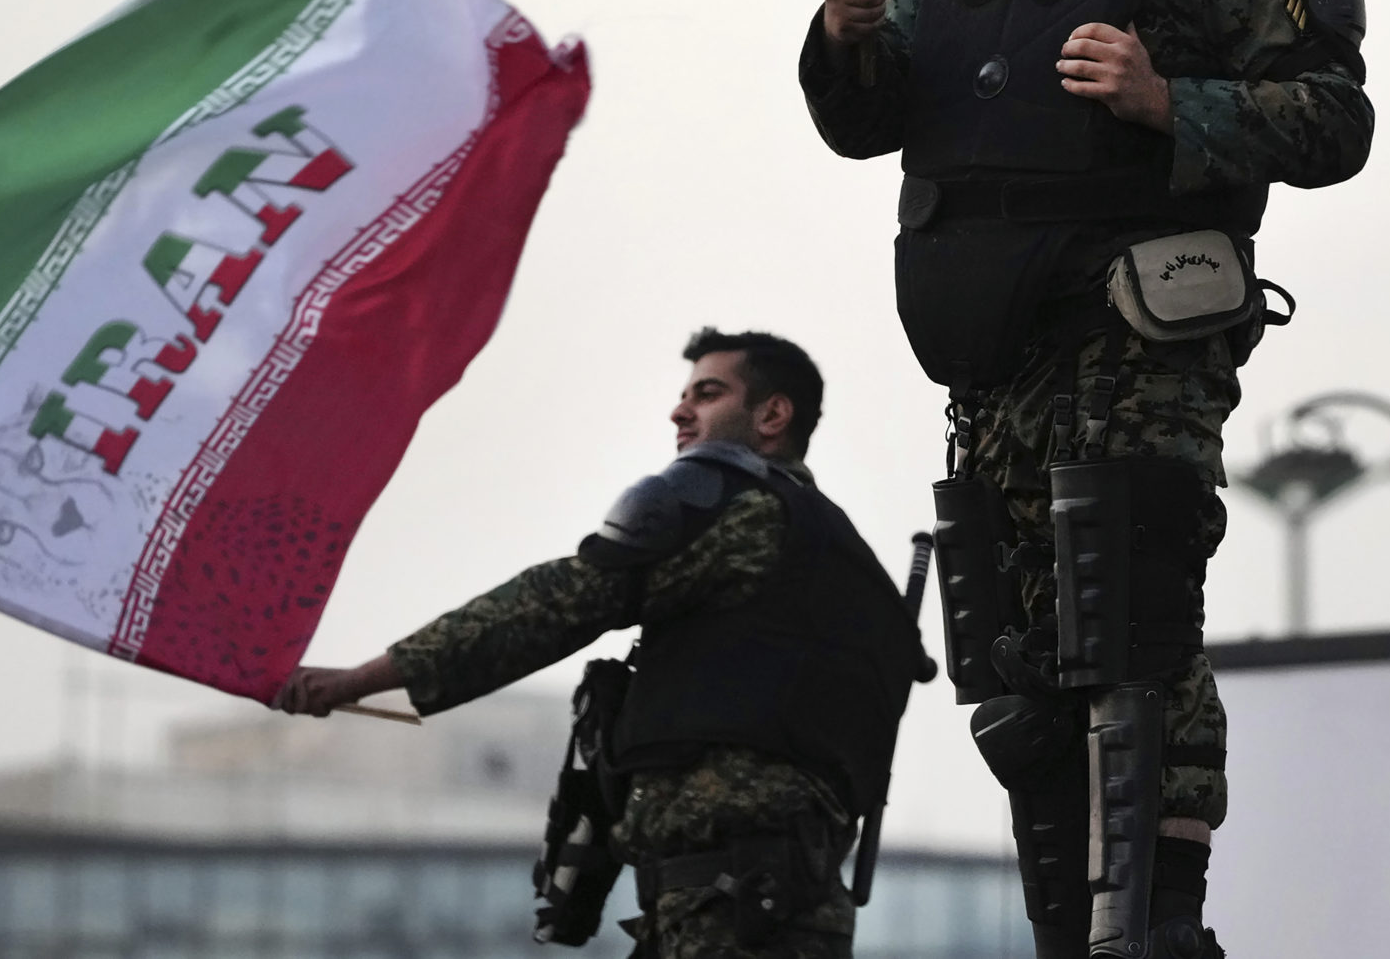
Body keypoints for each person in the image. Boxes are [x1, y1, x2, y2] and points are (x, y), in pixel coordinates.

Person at [799, 0, 1375, 959]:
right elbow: (863, 122)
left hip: (1133, 347)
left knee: (1130, 627)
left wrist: (1171, 99)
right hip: (988, 365)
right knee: (1012, 668)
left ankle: (1158, 929)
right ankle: (1070, 932)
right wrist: (843, 43)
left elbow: (1336, 123)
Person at [276, 330, 923, 959]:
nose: (680, 408)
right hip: (780, 899)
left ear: (772, 413)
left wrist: (359, 678)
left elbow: (559, 601)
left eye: (708, 391)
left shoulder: (744, 511)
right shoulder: (843, 561)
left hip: (731, 904)